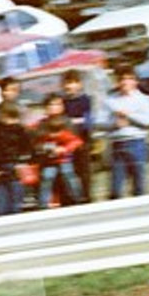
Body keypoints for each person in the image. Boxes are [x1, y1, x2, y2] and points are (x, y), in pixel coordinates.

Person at [104, 65, 149, 199]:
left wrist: (129, 116)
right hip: (117, 144)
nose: (125, 82)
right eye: (122, 79)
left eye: (129, 79)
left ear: (135, 81)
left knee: (139, 184)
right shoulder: (110, 100)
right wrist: (114, 124)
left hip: (136, 142)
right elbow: (99, 122)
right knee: (115, 188)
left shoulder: (144, 99)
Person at [34, 93, 86, 207]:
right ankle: (43, 202)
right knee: (47, 177)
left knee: (69, 175)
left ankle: (78, 198)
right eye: (51, 105)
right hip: (49, 159)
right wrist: (47, 148)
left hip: (65, 158)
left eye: (57, 104)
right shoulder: (42, 124)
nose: (54, 107)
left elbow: (76, 141)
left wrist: (64, 149)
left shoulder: (67, 122)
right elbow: (37, 142)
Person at [0, 101, 32, 216]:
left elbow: (27, 149)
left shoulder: (20, 130)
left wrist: (21, 162)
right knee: (0, 207)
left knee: (15, 203)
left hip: (14, 167)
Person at [61, 69, 95, 202]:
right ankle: (71, 197)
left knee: (84, 171)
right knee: (69, 172)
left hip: (82, 141)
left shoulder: (85, 100)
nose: (70, 86)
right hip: (66, 143)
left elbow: (88, 121)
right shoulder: (62, 103)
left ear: (80, 85)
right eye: (68, 83)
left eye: (74, 82)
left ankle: (86, 197)